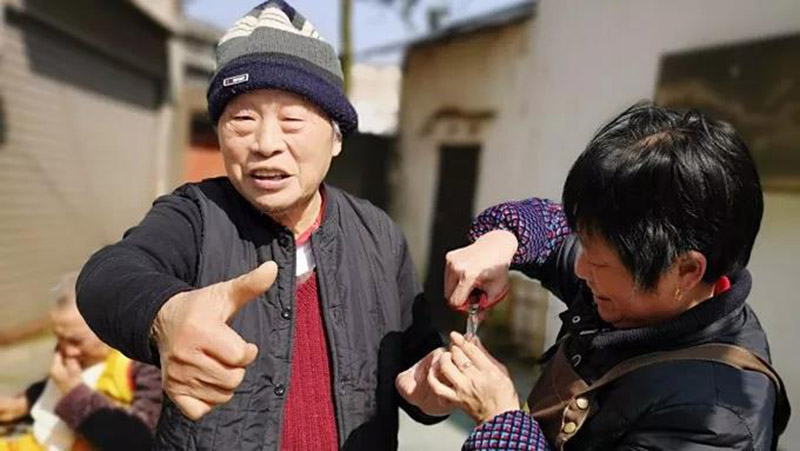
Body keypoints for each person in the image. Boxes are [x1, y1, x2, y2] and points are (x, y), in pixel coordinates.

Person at [76, 1, 444, 449]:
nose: (266, 143)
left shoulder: (378, 235)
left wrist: (435, 391)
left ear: (336, 137)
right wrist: (165, 315)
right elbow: (107, 275)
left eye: (292, 120)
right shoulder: (195, 215)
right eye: (243, 119)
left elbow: (415, 360)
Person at [398, 103, 790, 450]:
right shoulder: (636, 286)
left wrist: (499, 416)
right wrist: (502, 241)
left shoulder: (719, 419)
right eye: (585, 245)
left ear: (686, 271)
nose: (581, 268)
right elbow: (550, 226)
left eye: (599, 263)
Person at [0, 272, 162, 451]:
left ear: (110, 328)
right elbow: (51, 389)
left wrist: (73, 392)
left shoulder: (145, 368)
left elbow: (139, 440)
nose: (67, 350)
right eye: (59, 338)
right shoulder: (79, 357)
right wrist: (21, 404)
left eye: (75, 341)